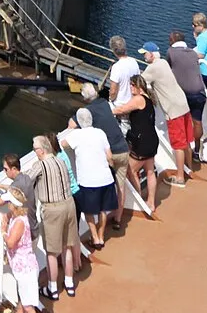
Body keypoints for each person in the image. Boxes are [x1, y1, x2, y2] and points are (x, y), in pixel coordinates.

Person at [24, 134, 79, 298]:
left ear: (41, 150)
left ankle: (52, 288)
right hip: (69, 204)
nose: (34, 152)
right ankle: (69, 283)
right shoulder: (61, 160)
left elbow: (25, 180)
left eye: (34, 149)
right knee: (67, 246)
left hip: (52, 210)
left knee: (52, 251)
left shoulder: (40, 165)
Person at [59, 108, 116, 249]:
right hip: (105, 177)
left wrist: (71, 129)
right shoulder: (100, 133)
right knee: (103, 209)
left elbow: (63, 143)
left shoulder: (76, 135)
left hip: (88, 180)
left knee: (89, 210)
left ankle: (95, 237)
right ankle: (101, 236)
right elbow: (109, 156)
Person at [140, 41, 196, 185]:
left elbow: (139, 81)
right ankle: (189, 169)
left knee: (177, 144)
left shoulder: (151, 68)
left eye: (145, 54)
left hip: (172, 109)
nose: (144, 56)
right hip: (183, 104)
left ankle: (179, 177)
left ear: (151, 54)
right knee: (187, 141)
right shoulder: (164, 62)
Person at [77, 82, 130, 229]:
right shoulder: (105, 103)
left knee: (102, 188)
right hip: (123, 149)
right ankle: (118, 218)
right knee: (120, 186)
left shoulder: (88, 111)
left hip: (110, 154)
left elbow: (72, 124)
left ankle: (99, 228)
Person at [2, 188, 44, 313]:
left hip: (25, 270)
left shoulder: (19, 222)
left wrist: (3, 231)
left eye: (8, 202)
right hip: (22, 269)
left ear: (14, 204)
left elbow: (11, 242)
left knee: (29, 308)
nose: (7, 205)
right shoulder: (17, 218)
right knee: (26, 304)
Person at [114, 73, 159, 213]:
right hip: (151, 139)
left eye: (132, 85)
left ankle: (138, 199)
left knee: (131, 170)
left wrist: (107, 112)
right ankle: (151, 202)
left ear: (138, 86)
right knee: (150, 172)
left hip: (141, 143)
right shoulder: (149, 99)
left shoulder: (138, 99)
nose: (130, 88)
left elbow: (122, 109)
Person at [167, 30, 207, 156]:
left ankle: (186, 151)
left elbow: (168, 68)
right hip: (199, 91)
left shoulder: (171, 52)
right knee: (197, 121)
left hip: (184, 93)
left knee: (182, 121)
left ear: (173, 41)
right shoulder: (192, 52)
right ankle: (197, 149)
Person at [0, 154, 38, 238]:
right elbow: (13, 189)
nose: (4, 171)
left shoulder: (16, 186)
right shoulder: (26, 178)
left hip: (26, 233)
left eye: (6, 169)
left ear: (14, 169)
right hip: (34, 228)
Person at [107, 35, 138, 106]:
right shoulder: (134, 61)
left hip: (119, 104)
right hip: (132, 102)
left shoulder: (116, 67)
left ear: (113, 51)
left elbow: (113, 92)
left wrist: (111, 99)